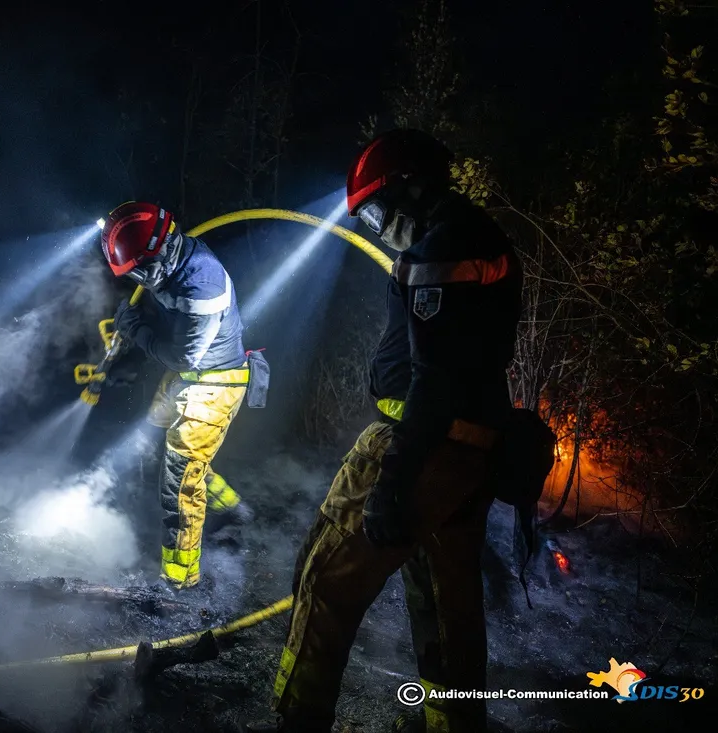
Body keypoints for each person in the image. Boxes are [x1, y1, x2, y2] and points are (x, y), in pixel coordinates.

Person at [252, 129, 523, 733]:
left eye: (375, 208)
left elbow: (433, 375)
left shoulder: (441, 246)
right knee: (446, 607)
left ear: (410, 188)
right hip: (469, 451)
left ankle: (298, 719)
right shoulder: (477, 233)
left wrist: (393, 479)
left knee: (325, 583)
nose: (374, 225)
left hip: (420, 449)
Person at [101, 201, 254, 591]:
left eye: (139, 270)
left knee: (179, 481)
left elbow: (180, 354)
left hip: (214, 383)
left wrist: (134, 328)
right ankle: (232, 507)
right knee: (160, 446)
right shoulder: (166, 262)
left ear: (162, 252)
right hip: (189, 374)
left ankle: (180, 581)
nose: (137, 279)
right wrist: (132, 323)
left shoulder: (202, 283)